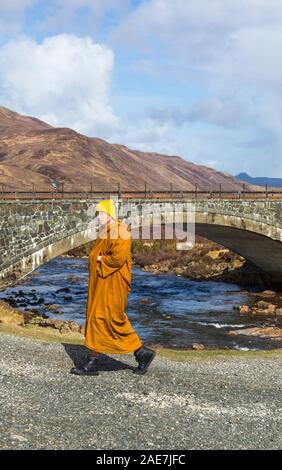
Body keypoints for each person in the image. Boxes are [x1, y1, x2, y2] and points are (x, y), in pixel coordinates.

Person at [70, 199, 156, 376]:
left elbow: (118, 258)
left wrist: (100, 259)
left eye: (101, 213)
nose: (98, 217)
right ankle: (95, 360)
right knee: (97, 317)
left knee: (112, 318)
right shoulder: (107, 230)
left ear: (110, 214)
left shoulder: (120, 230)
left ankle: (141, 352)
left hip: (112, 283)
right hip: (103, 281)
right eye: (97, 214)